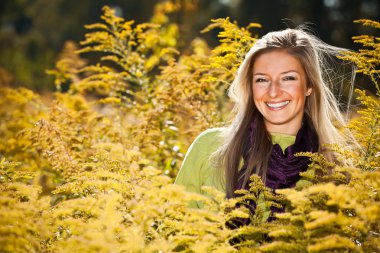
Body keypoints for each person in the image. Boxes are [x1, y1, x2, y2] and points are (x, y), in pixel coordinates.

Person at [174, 28, 356, 209]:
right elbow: (170, 230)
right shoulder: (209, 147)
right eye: (262, 80)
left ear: (309, 85)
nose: (274, 92)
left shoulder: (332, 169)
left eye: (288, 78)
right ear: (250, 86)